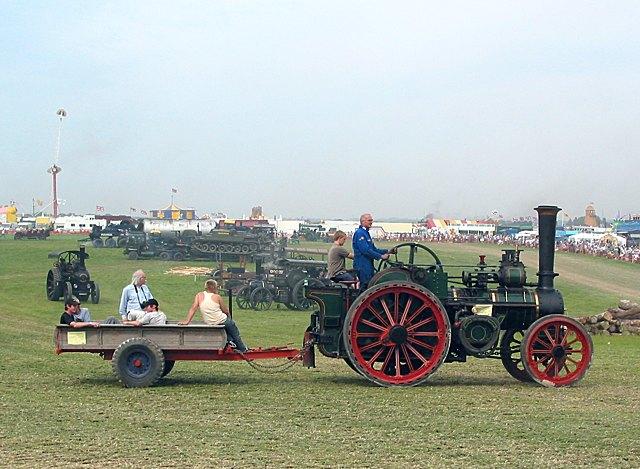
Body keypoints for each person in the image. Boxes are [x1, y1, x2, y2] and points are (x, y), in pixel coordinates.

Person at [178, 279, 249, 353]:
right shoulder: (217, 297)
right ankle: (243, 349)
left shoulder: (199, 295)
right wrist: (229, 315)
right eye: (216, 287)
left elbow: (193, 308)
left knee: (229, 331)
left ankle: (231, 343)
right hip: (222, 320)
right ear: (213, 287)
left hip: (210, 322)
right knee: (235, 333)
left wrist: (187, 321)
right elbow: (225, 311)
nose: (217, 288)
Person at [352, 213, 395, 290]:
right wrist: (381, 256)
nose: (371, 222)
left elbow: (374, 249)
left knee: (370, 286)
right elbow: (365, 250)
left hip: (368, 265)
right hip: (362, 265)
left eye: (371, 220)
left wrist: (388, 251)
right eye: (369, 220)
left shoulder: (366, 233)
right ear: (363, 221)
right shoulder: (360, 233)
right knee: (366, 287)